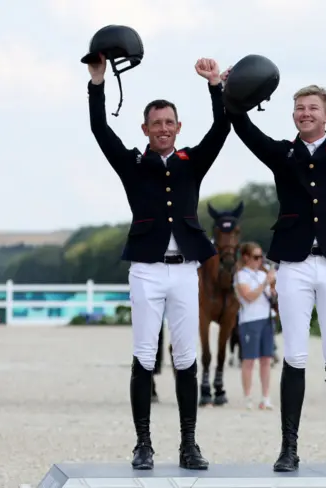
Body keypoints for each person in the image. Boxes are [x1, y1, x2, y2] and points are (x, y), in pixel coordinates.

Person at [224, 66, 326, 472]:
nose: (305, 113)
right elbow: (243, 128)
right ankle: (289, 448)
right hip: (294, 265)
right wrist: (226, 90)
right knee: (296, 355)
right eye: (299, 108)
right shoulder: (283, 154)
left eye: (312, 108)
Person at [87, 54, 231, 470]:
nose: (164, 129)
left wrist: (215, 86)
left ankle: (189, 444)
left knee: (186, 356)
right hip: (147, 271)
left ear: (178, 128)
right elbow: (100, 129)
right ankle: (144, 444)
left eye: (170, 122)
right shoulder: (133, 165)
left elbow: (222, 128)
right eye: (156, 123)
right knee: (144, 356)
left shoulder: (192, 163)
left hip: (186, 270)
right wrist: (97, 83)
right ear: (146, 129)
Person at [233, 242, 278, 410]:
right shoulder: (240, 276)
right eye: (256, 257)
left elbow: (270, 296)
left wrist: (273, 287)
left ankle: (265, 397)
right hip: (250, 320)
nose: (259, 260)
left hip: (267, 318)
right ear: (246, 257)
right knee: (249, 360)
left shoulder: (262, 274)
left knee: (266, 359)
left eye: (261, 257)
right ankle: (248, 397)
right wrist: (266, 283)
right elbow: (249, 296)